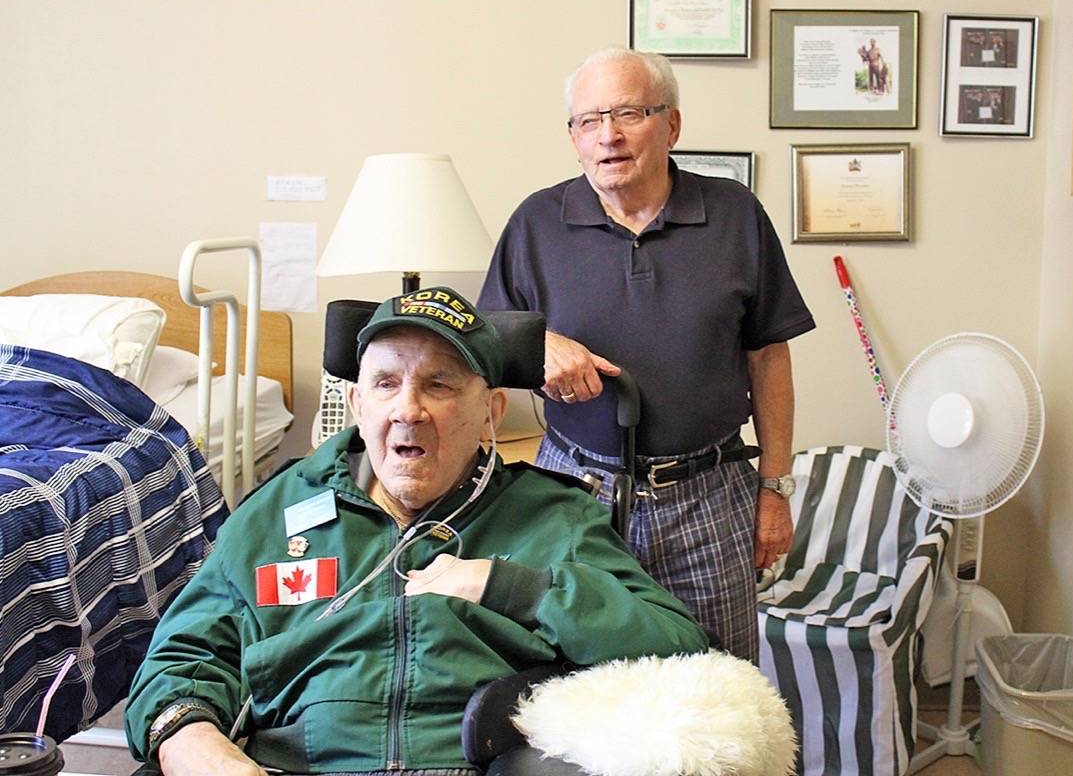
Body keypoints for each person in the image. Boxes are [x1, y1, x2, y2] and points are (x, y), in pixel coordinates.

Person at [124, 287, 708, 775]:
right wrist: (193, 742)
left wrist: (512, 587)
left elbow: (678, 645)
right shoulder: (276, 510)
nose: (408, 409)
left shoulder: (554, 516)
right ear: (356, 403)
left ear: (491, 413)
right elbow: (183, 656)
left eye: (439, 385)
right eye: (385, 384)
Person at [478, 47, 815, 663]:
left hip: (709, 494)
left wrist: (776, 492)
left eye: (629, 113)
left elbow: (770, 358)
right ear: (573, 136)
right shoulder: (535, 222)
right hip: (573, 491)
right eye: (589, 120)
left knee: (719, 684)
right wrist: (539, 345)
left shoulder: (735, 215)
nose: (608, 136)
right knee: (575, 676)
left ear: (672, 125)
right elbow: (485, 345)